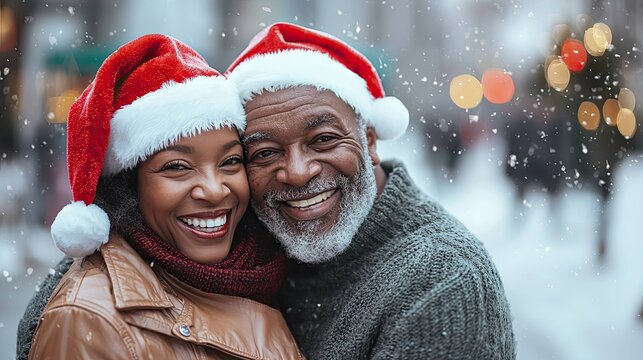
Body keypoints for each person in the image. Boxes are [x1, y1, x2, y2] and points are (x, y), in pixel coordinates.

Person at [224, 22, 516, 359]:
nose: (298, 173)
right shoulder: (248, 256)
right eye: (265, 153)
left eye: (323, 140)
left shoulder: (442, 281)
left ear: (371, 141)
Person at [23, 34, 302, 360]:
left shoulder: (265, 273)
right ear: (129, 187)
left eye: (230, 161)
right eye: (178, 167)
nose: (214, 190)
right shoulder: (88, 318)